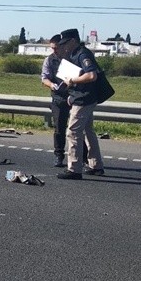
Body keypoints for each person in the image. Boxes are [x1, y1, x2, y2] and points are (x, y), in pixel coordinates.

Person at [55, 28, 105, 180]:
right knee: (88, 131)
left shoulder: (83, 54)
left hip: (84, 99)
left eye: (65, 43)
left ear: (72, 41)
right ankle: (95, 165)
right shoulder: (75, 54)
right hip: (82, 97)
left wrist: (72, 81)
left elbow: (91, 75)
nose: (63, 46)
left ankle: (74, 169)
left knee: (72, 131)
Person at [41, 34, 86, 168]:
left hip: (73, 97)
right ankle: (59, 156)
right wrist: (51, 85)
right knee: (59, 128)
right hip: (58, 97)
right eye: (52, 48)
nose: (54, 51)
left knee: (76, 130)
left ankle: (83, 157)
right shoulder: (49, 60)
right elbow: (44, 77)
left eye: (56, 48)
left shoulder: (72, 58)